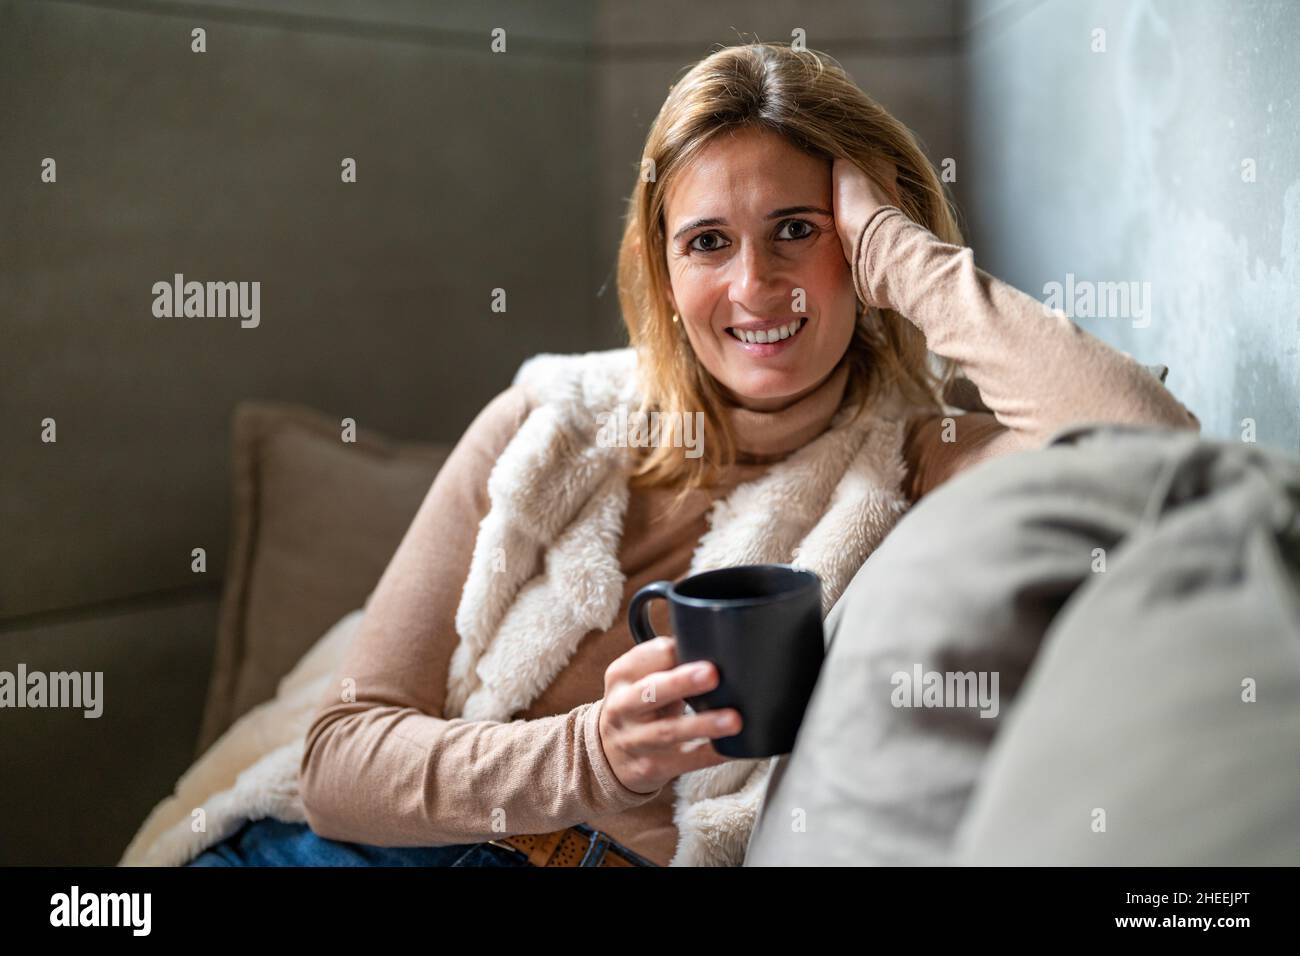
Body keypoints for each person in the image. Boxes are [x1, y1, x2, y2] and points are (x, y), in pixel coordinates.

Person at [188, 41, 1198, 868]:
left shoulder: (913, 458)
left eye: (797, 230)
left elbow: (1145, 453)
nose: (754, 286)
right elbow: (339, 760)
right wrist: (591, 754)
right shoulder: (552, 419)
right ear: (664, 270)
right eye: (708, 241)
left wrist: (900, 250)